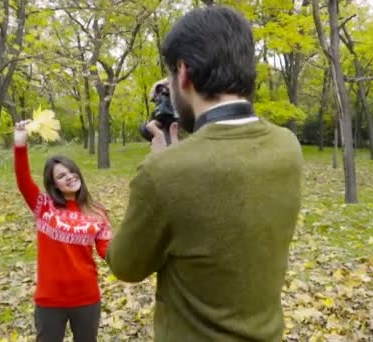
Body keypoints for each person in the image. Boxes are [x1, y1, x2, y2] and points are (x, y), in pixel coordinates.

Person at [105, 5, 303, 341]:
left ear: (183, 72)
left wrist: (159, 162)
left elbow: (125, 266)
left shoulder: (164, 173)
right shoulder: (288, 146)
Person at [13, 120, 112, 342]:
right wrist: (20, 142)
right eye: (61, 176)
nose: (69, 177)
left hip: (86, 297)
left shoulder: (97, 212)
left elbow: (107, 250)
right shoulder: (44, 206)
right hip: (50, 298)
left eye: (71, 172)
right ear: (54, 184)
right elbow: (23, 181)